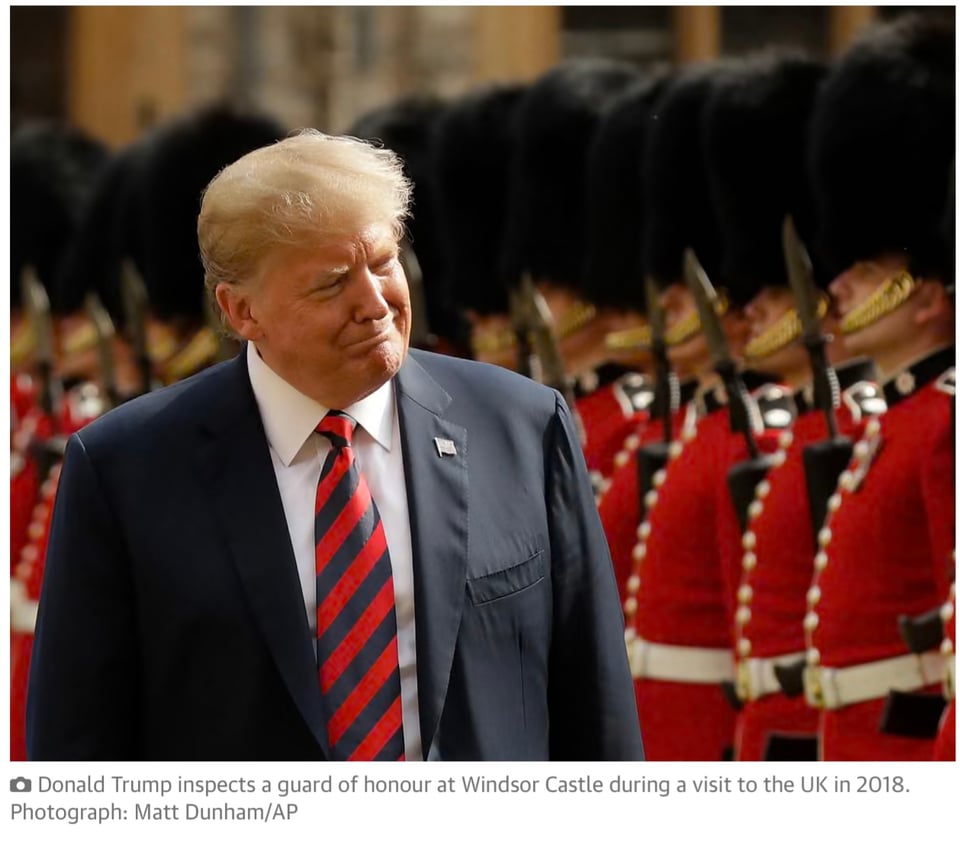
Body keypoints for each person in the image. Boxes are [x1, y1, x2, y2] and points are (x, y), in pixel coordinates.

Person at [26, 128, 643, 762]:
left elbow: (595, 711)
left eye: (383, 264)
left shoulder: (523, 428)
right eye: (331, 284)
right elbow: (78, 748)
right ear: (240, 311)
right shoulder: (126, 469)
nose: (374, 304)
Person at [803, 14, 955, 760]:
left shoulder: (943, 424)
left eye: (863, 273)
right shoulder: (897, 420)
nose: (838, 286)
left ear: (925, 295)